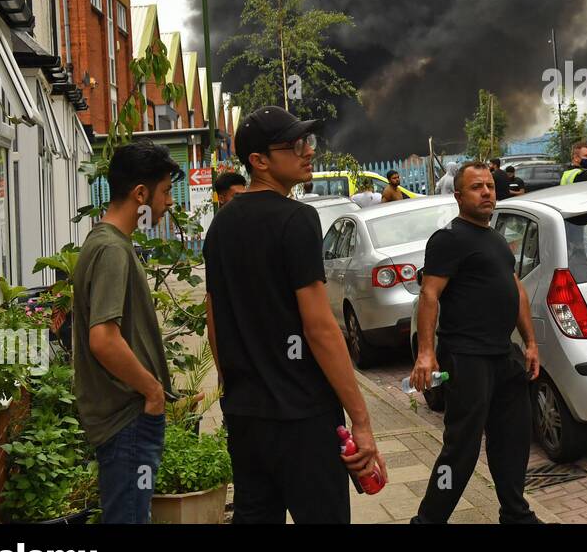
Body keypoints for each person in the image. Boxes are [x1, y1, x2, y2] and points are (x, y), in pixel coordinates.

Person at [204, 106, 386, 523]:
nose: (308, 152)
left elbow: (214, 321)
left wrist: (236, 387)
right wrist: (361, 419)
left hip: (246, 417)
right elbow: (320, 328)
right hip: (304, 417)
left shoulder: (220, 227)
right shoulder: (297, 219)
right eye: (294, 145)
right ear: (259, 161)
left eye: (308, 142)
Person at [408, 162, 542, 524]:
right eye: (476, 187)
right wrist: (426, 353)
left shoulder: (495, 239)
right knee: (461, 450)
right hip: (467, 357)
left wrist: (530, 342)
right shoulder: (449, 239)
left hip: (502, 354)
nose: (486, 192)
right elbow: (429, 295)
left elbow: (515, 290)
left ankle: (516, 514)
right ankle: (427, 521)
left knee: (513, 440)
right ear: (458, 196)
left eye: (489, 186)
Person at [71, 139, 180, 523]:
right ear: (140, 193)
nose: (169, 203)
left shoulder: (105, 242)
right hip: (127, 420)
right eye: (165, 191)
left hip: (124, 421)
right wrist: (152, 391)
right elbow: (103, 339)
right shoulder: (113, 250)